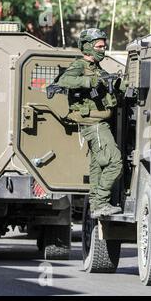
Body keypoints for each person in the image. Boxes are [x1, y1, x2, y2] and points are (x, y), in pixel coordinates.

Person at [57, 28, 122, 219]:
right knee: (115, 162)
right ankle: (101, 202)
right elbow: (65, 80)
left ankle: (96, 205)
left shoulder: (97, 68)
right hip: (93, 124)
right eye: (99, 46)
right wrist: (91, 81)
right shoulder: (80, 65)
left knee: (97, 167)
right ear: (87, 47)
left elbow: (109, 84)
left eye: (104, 46)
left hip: (97, 123)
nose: (103, 49)